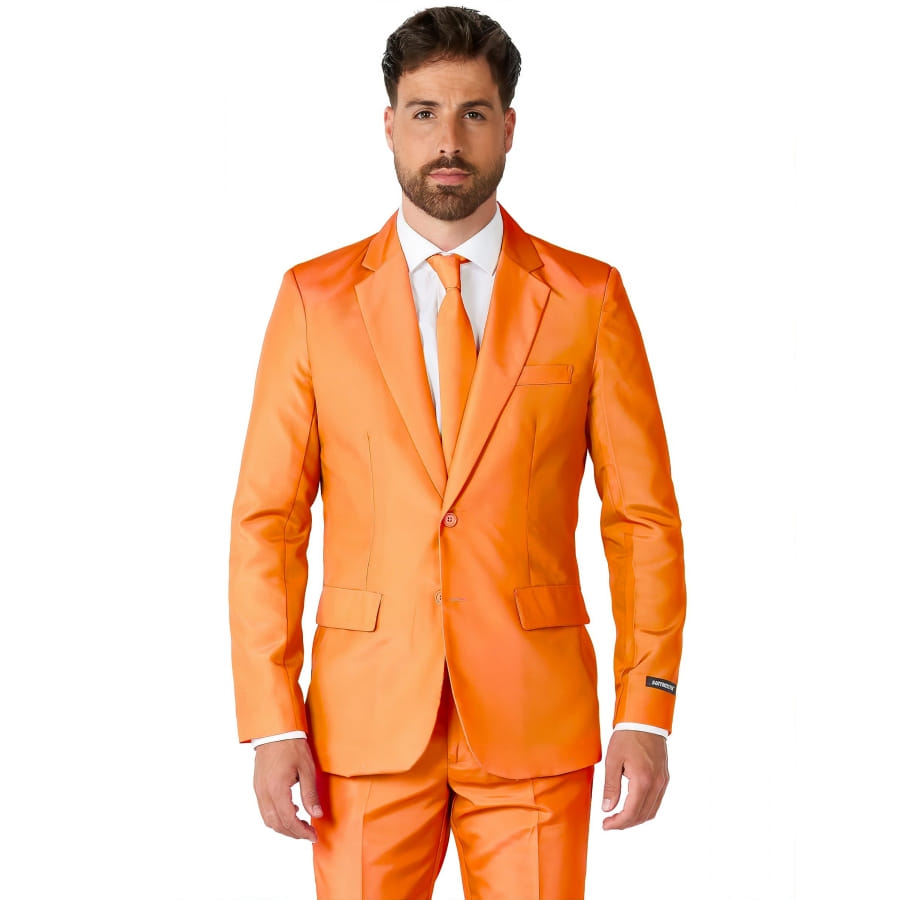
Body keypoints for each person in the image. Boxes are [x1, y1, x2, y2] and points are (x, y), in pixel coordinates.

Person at [228, 6, 686, 899]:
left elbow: (642, 520)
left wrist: (648, 707)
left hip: (534, 718)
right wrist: (272, 718)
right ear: (388, 124)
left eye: (473, 113)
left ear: (508, 126)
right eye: (425, 112)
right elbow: (268, 524)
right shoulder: (315, 300)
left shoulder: (587, 297)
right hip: (362, 726)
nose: (448, 139)